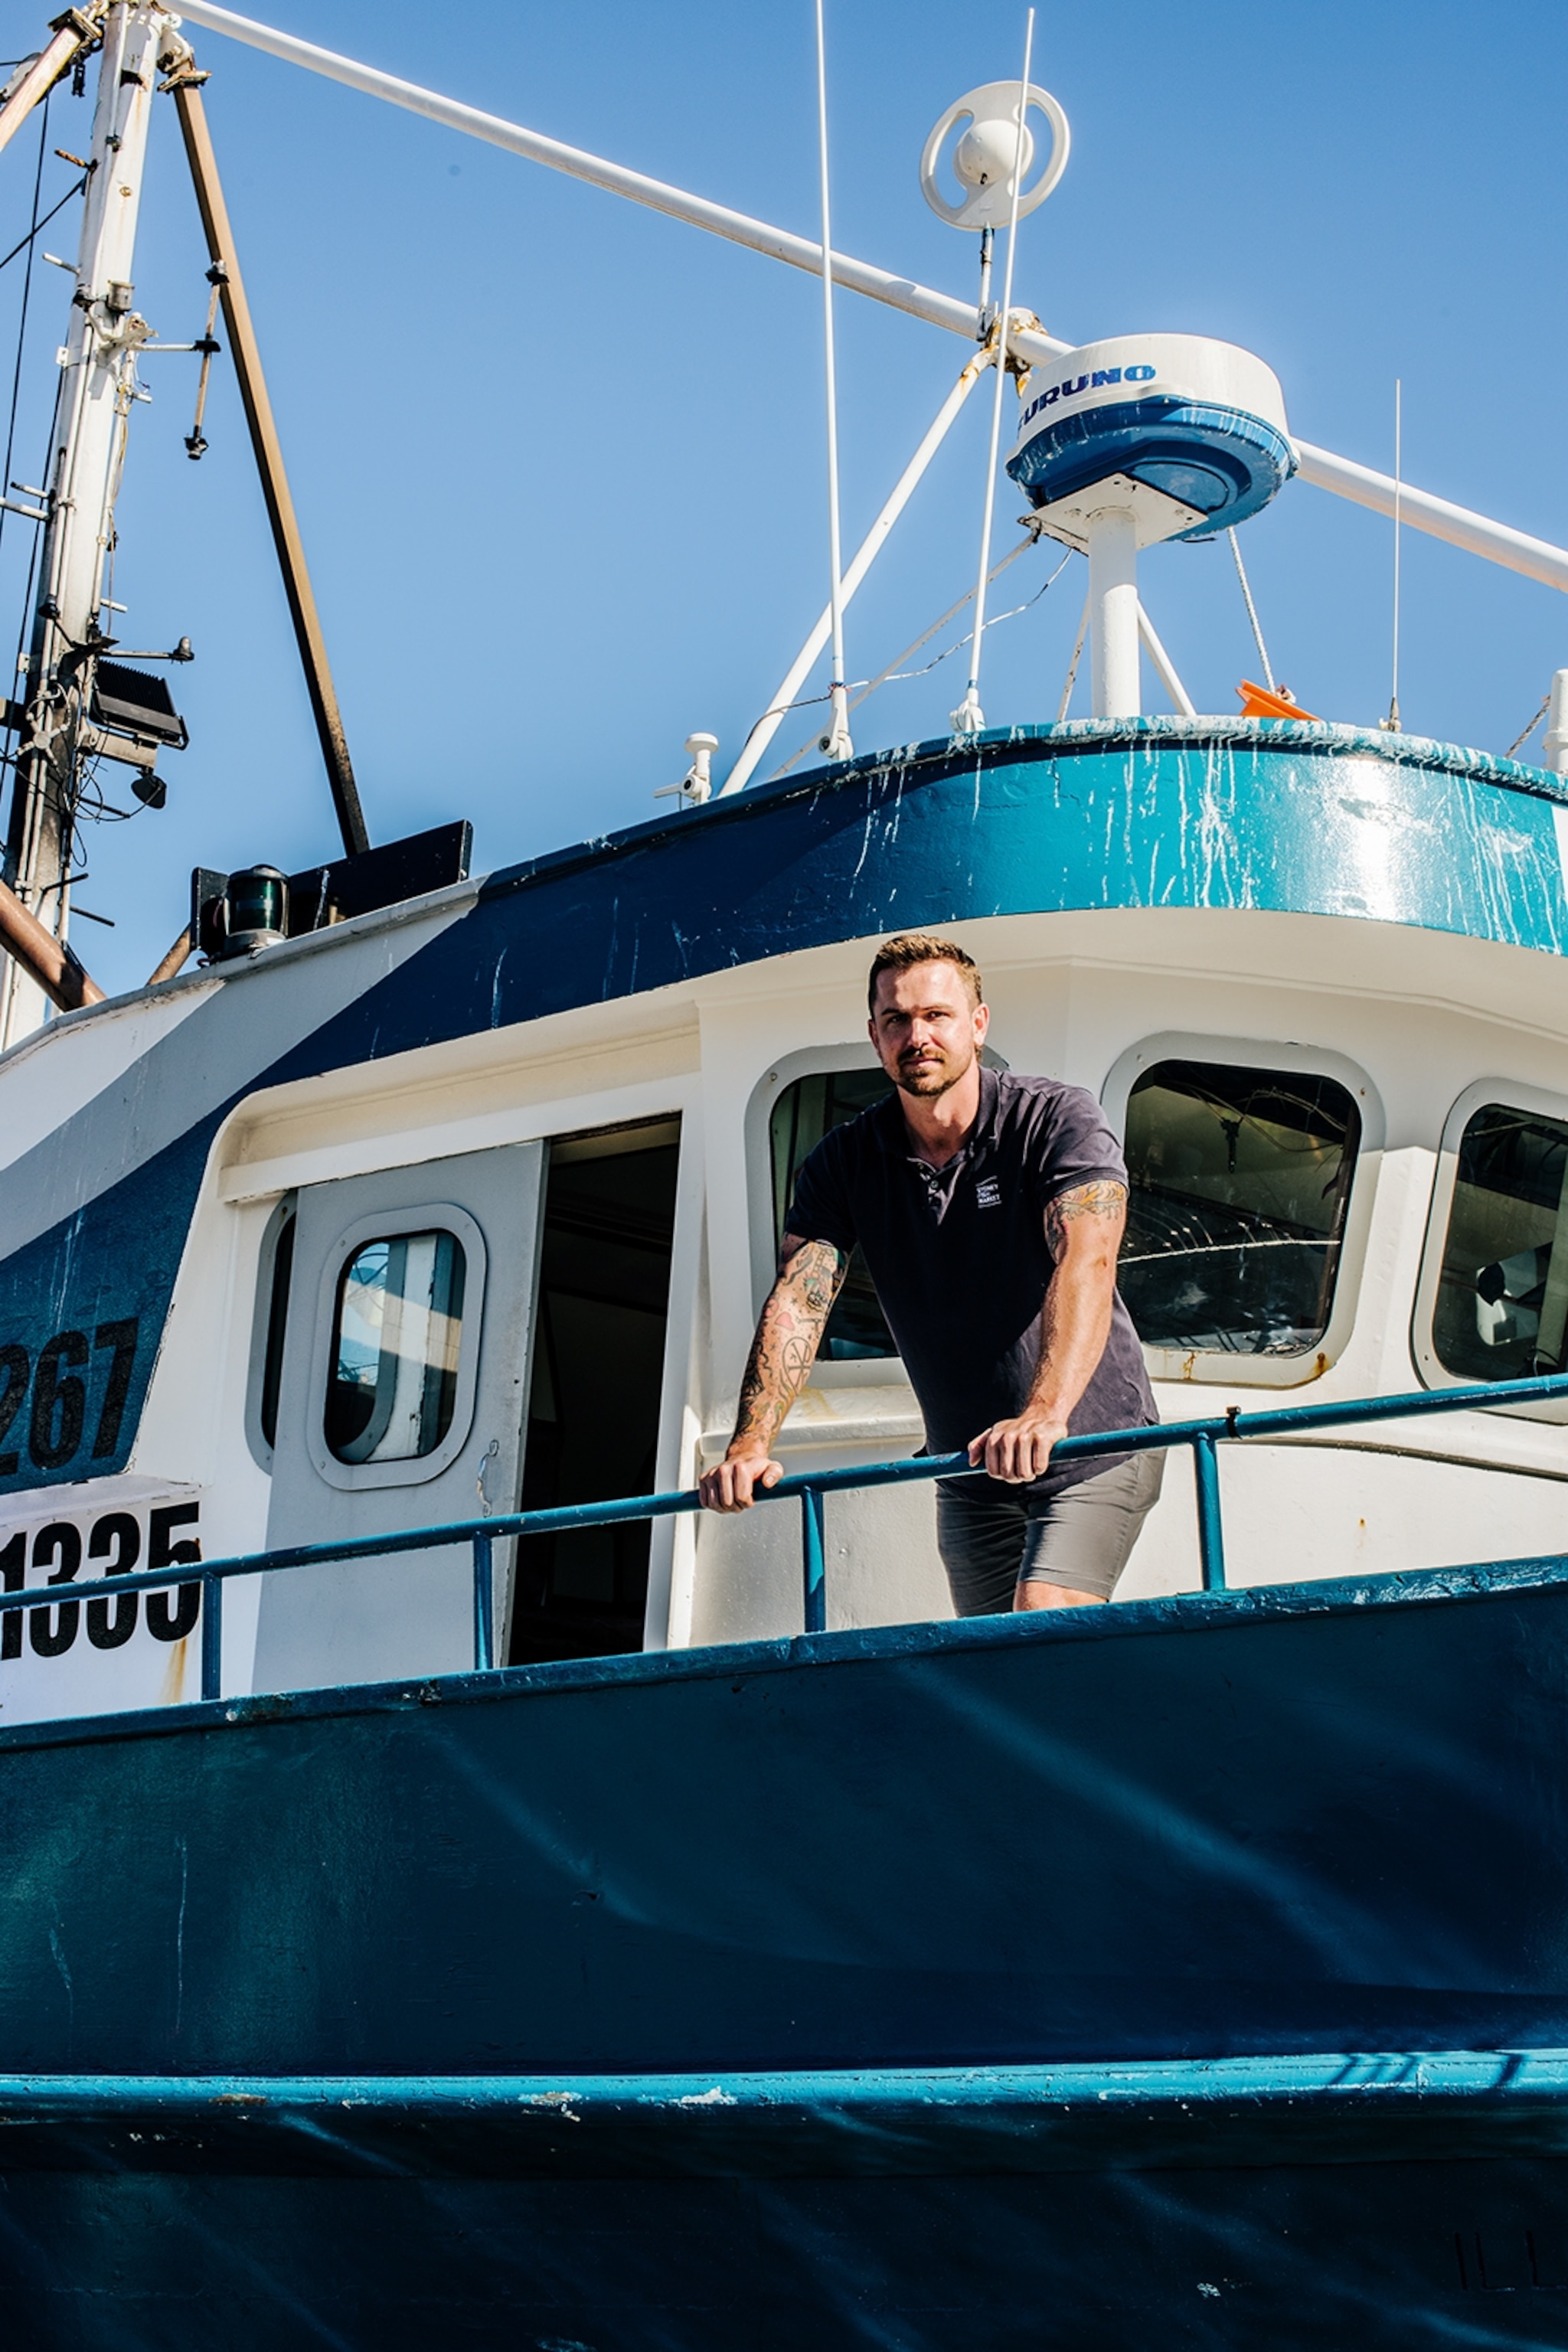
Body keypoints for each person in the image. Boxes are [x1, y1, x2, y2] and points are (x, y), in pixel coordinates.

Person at [698, 934, 1162, 1613]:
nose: (917, 1035)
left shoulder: (1055, 1118)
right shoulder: (844, 1161)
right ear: (874, 1035)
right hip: (970, 1470)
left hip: (1094, 1447)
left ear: (978, 1023)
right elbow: (800, 1296)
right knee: (982, 1671)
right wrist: (750, 1443)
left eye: (937, 1015)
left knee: (1044, 1618)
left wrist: (1042, 1415)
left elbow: (1086, 1259)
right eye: (897, 1020)